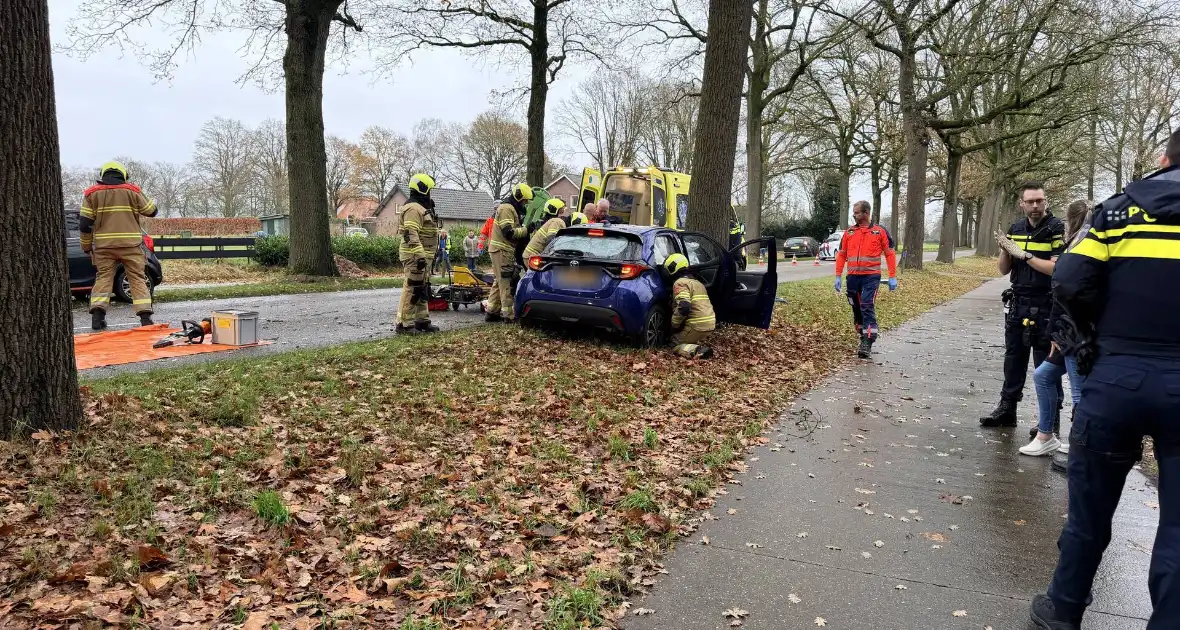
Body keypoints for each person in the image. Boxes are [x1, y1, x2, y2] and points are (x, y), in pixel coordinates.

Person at [1030, 129, 1180, 630]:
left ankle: (1065, 606)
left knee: (1089, 507)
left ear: (1163, 159)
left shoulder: (1117, 212)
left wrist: (1096, 335)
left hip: (1117, 376)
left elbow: (1070, 279)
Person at [979, 181, 1066, 428]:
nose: (1035, 206)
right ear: (1022, 204)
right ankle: (1007, 409)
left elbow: (1056, 269)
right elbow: (1003, 270)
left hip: (1047, 304)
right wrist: (1006, 250)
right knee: (1014, 358)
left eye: (1039, 201)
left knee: (1045, 363)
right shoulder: (1015, 228)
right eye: (1030, 201)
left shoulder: (1057, 228)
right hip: (1018, 303)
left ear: (1045, 201)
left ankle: (1050, 419)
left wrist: (1024, 256)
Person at [1020, 200, 1092, 457]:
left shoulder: (1082, 249)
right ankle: (1046, 434)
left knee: (1079, 391)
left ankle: (1082, 446)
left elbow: (1070, 294)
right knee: (1044, 376)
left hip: (1077, 333)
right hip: (1067, 330)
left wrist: (1061, 334)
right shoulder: (1074, 246)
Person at [80, 161, 158, 330]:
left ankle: (98, 318)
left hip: (104, 247)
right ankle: (145, 320)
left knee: (103, 278)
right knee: (136, 278)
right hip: (130, 245)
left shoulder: (91, 194)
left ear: (103, 174)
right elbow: (152, 210)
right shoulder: (132, 191)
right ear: (124, 175)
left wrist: (86, 246)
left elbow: (84, 224)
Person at [833, 201, 898, 359]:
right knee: (856, 308)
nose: (854, 215)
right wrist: (838, 275)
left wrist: (892, 276)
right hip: (853, 277)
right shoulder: (849, 233)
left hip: (871, 277)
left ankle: (868, 341)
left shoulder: (879, 231)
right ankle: (862, 333)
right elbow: (842, 254)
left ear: (866, 213)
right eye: (854, 212)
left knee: (866, 305)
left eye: (857, 213)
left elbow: (889, 253)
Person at [395, 173, 440, 334]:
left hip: (422, 256)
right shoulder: (413, 208)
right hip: (415, 256)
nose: (430, 194)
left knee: (422, 287)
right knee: (413, 288)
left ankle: (422, 320)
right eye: (429, 191)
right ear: (423, 189)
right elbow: (410, 234)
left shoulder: (421, 207)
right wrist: (419, 255)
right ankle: (404, 324)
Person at [486, 183, 532, 322]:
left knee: (499, 280)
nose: (525, 204)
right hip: (502, 249)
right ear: (518, 197)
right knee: (506, 281)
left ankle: (492, 312)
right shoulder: (507, 208)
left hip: (501, 250)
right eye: (524, 201)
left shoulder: (510, 208)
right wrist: (526, 230)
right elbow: (509, 232)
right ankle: (509, 316)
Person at [665, 253, 716, 358]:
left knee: (673, 345)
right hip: (709, 324)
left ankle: (697, 350)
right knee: (687, 337)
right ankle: (694, 343)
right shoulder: (697, 283)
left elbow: (684, 307)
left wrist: (674, 325)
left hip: (696, 325)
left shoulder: (680, 283)